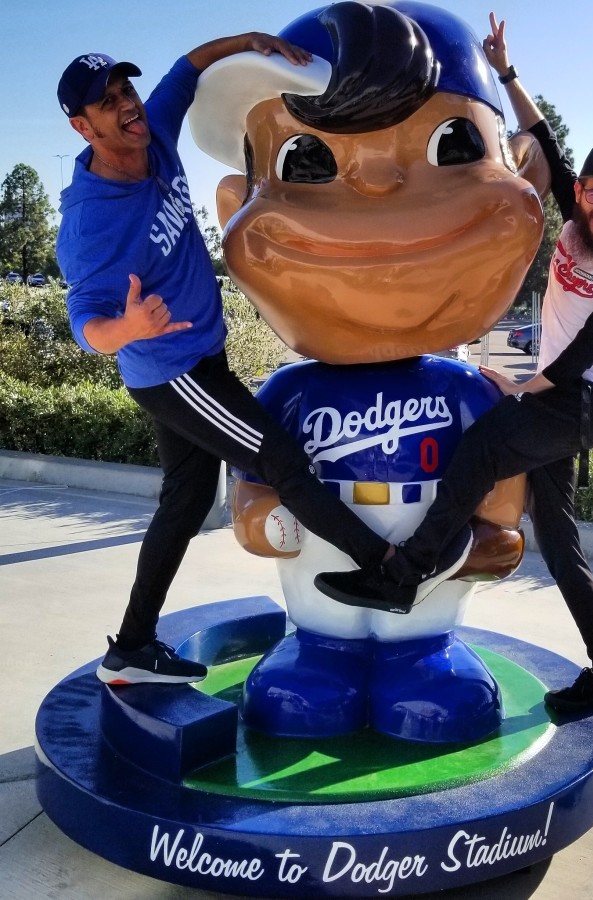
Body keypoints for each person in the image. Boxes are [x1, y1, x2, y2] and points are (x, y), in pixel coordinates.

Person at [315, 11, 593, 714]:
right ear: (581, 190)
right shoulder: (575, 217)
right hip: (558, 401)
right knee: (560, 546)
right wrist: (506, 71)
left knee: (480, 450)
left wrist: (523, 385)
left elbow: (588, 349)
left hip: (579, 404)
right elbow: (543, 138)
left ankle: (405, 574)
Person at [56, 33, 390, 687]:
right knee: (281, 460)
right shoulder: (90, 220)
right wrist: (125, 328)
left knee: (184, 503)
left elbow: (188, 66)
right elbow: (84, 322)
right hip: (175, 372)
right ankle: (387, 570)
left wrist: (257, 42)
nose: (127, 105)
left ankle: (131, 649)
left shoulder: (151, 130)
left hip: (196, 360)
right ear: (82, 126)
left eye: (125, 89)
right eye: (108, 102)